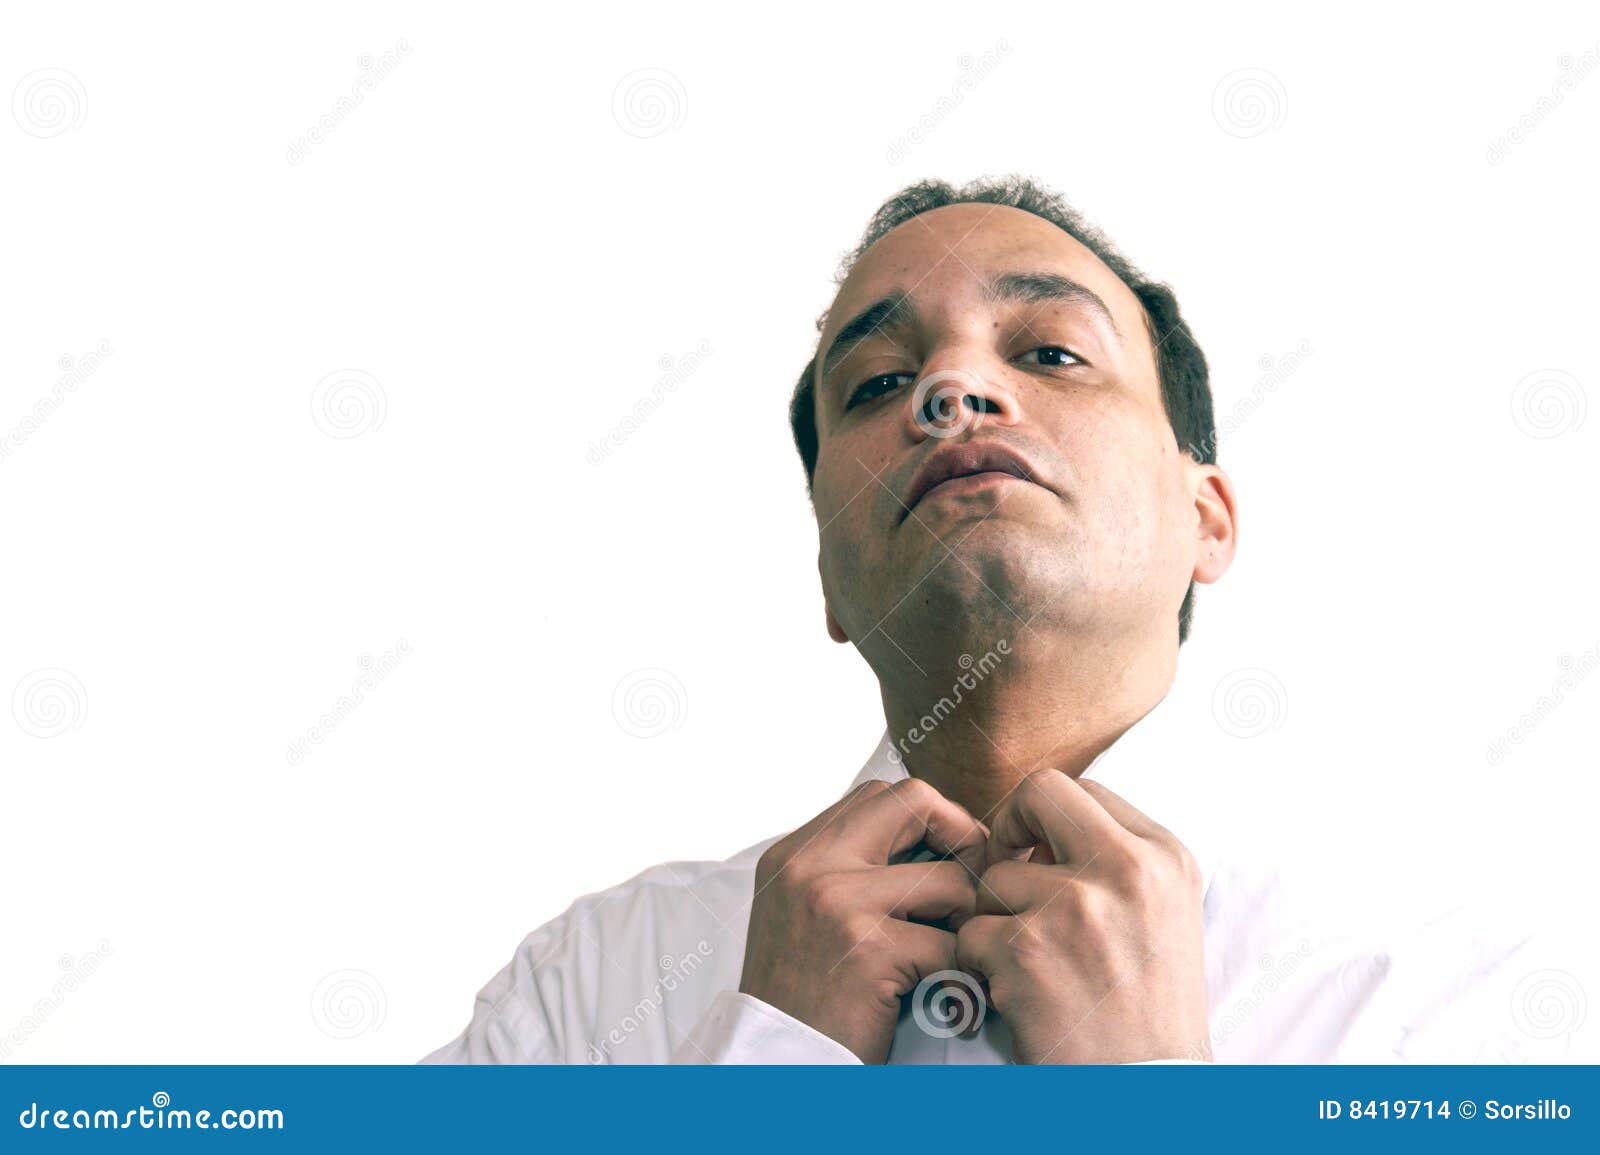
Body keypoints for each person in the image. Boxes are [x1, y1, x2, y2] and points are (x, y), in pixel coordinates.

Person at [424, 177, 1584, 1064]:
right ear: (828, 578)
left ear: (1207, 519)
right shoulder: (583, 992)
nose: (950, 392)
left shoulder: (1481, 1008)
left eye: (1049, 353)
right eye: (877, 385)